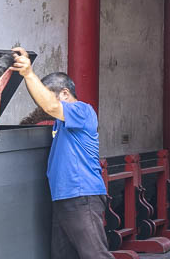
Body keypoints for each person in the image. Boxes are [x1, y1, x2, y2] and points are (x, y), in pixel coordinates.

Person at [11, 47, 114, 259]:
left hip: (81, 195)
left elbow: (48, 105)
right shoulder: (62, 120)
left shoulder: (82, 111)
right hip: (64, 198)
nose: (48, 104)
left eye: (52, 97)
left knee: (95, 256)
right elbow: (43, 108)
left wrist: (29, 74)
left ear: (65, 93)